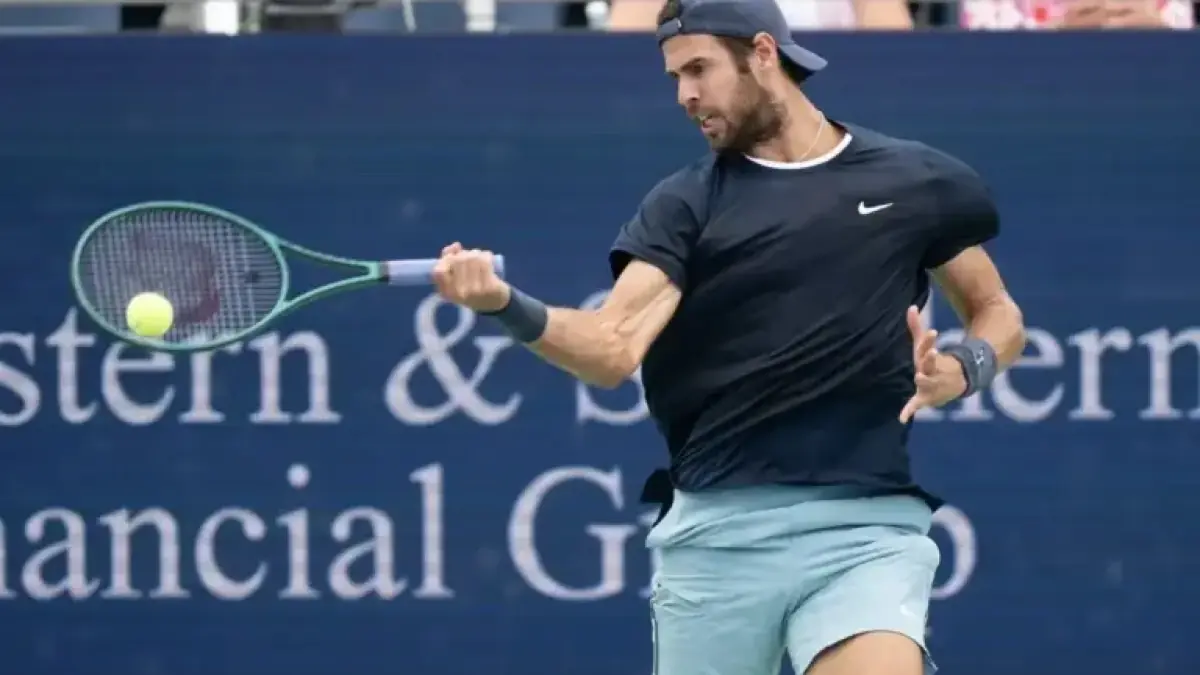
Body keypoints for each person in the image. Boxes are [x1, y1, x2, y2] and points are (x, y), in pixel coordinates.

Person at [431, 0, 1026, 673]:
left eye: (698, 69)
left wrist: (965, 367)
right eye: (674, 78)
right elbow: (610, 350)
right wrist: (504, 303)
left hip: (865, 533)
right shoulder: (685, 206)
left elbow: (997, 311)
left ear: (764, 53)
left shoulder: (912, 182)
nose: (684, 95)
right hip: (716, 542)